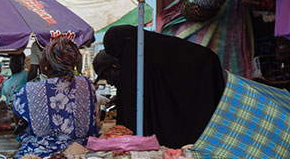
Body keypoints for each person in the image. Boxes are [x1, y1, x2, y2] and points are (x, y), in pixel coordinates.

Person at [93, 25, 224, 147]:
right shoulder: (155, 51)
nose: (109, 82)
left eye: (107, 76)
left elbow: (133, 111)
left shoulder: (135, 63)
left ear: (115, 66)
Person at [12, 37, 98, 158]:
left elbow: (17, 119)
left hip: (40, 154)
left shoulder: (30, 89)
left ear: (47, 63)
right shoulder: (87, 84)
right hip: (81, 151)